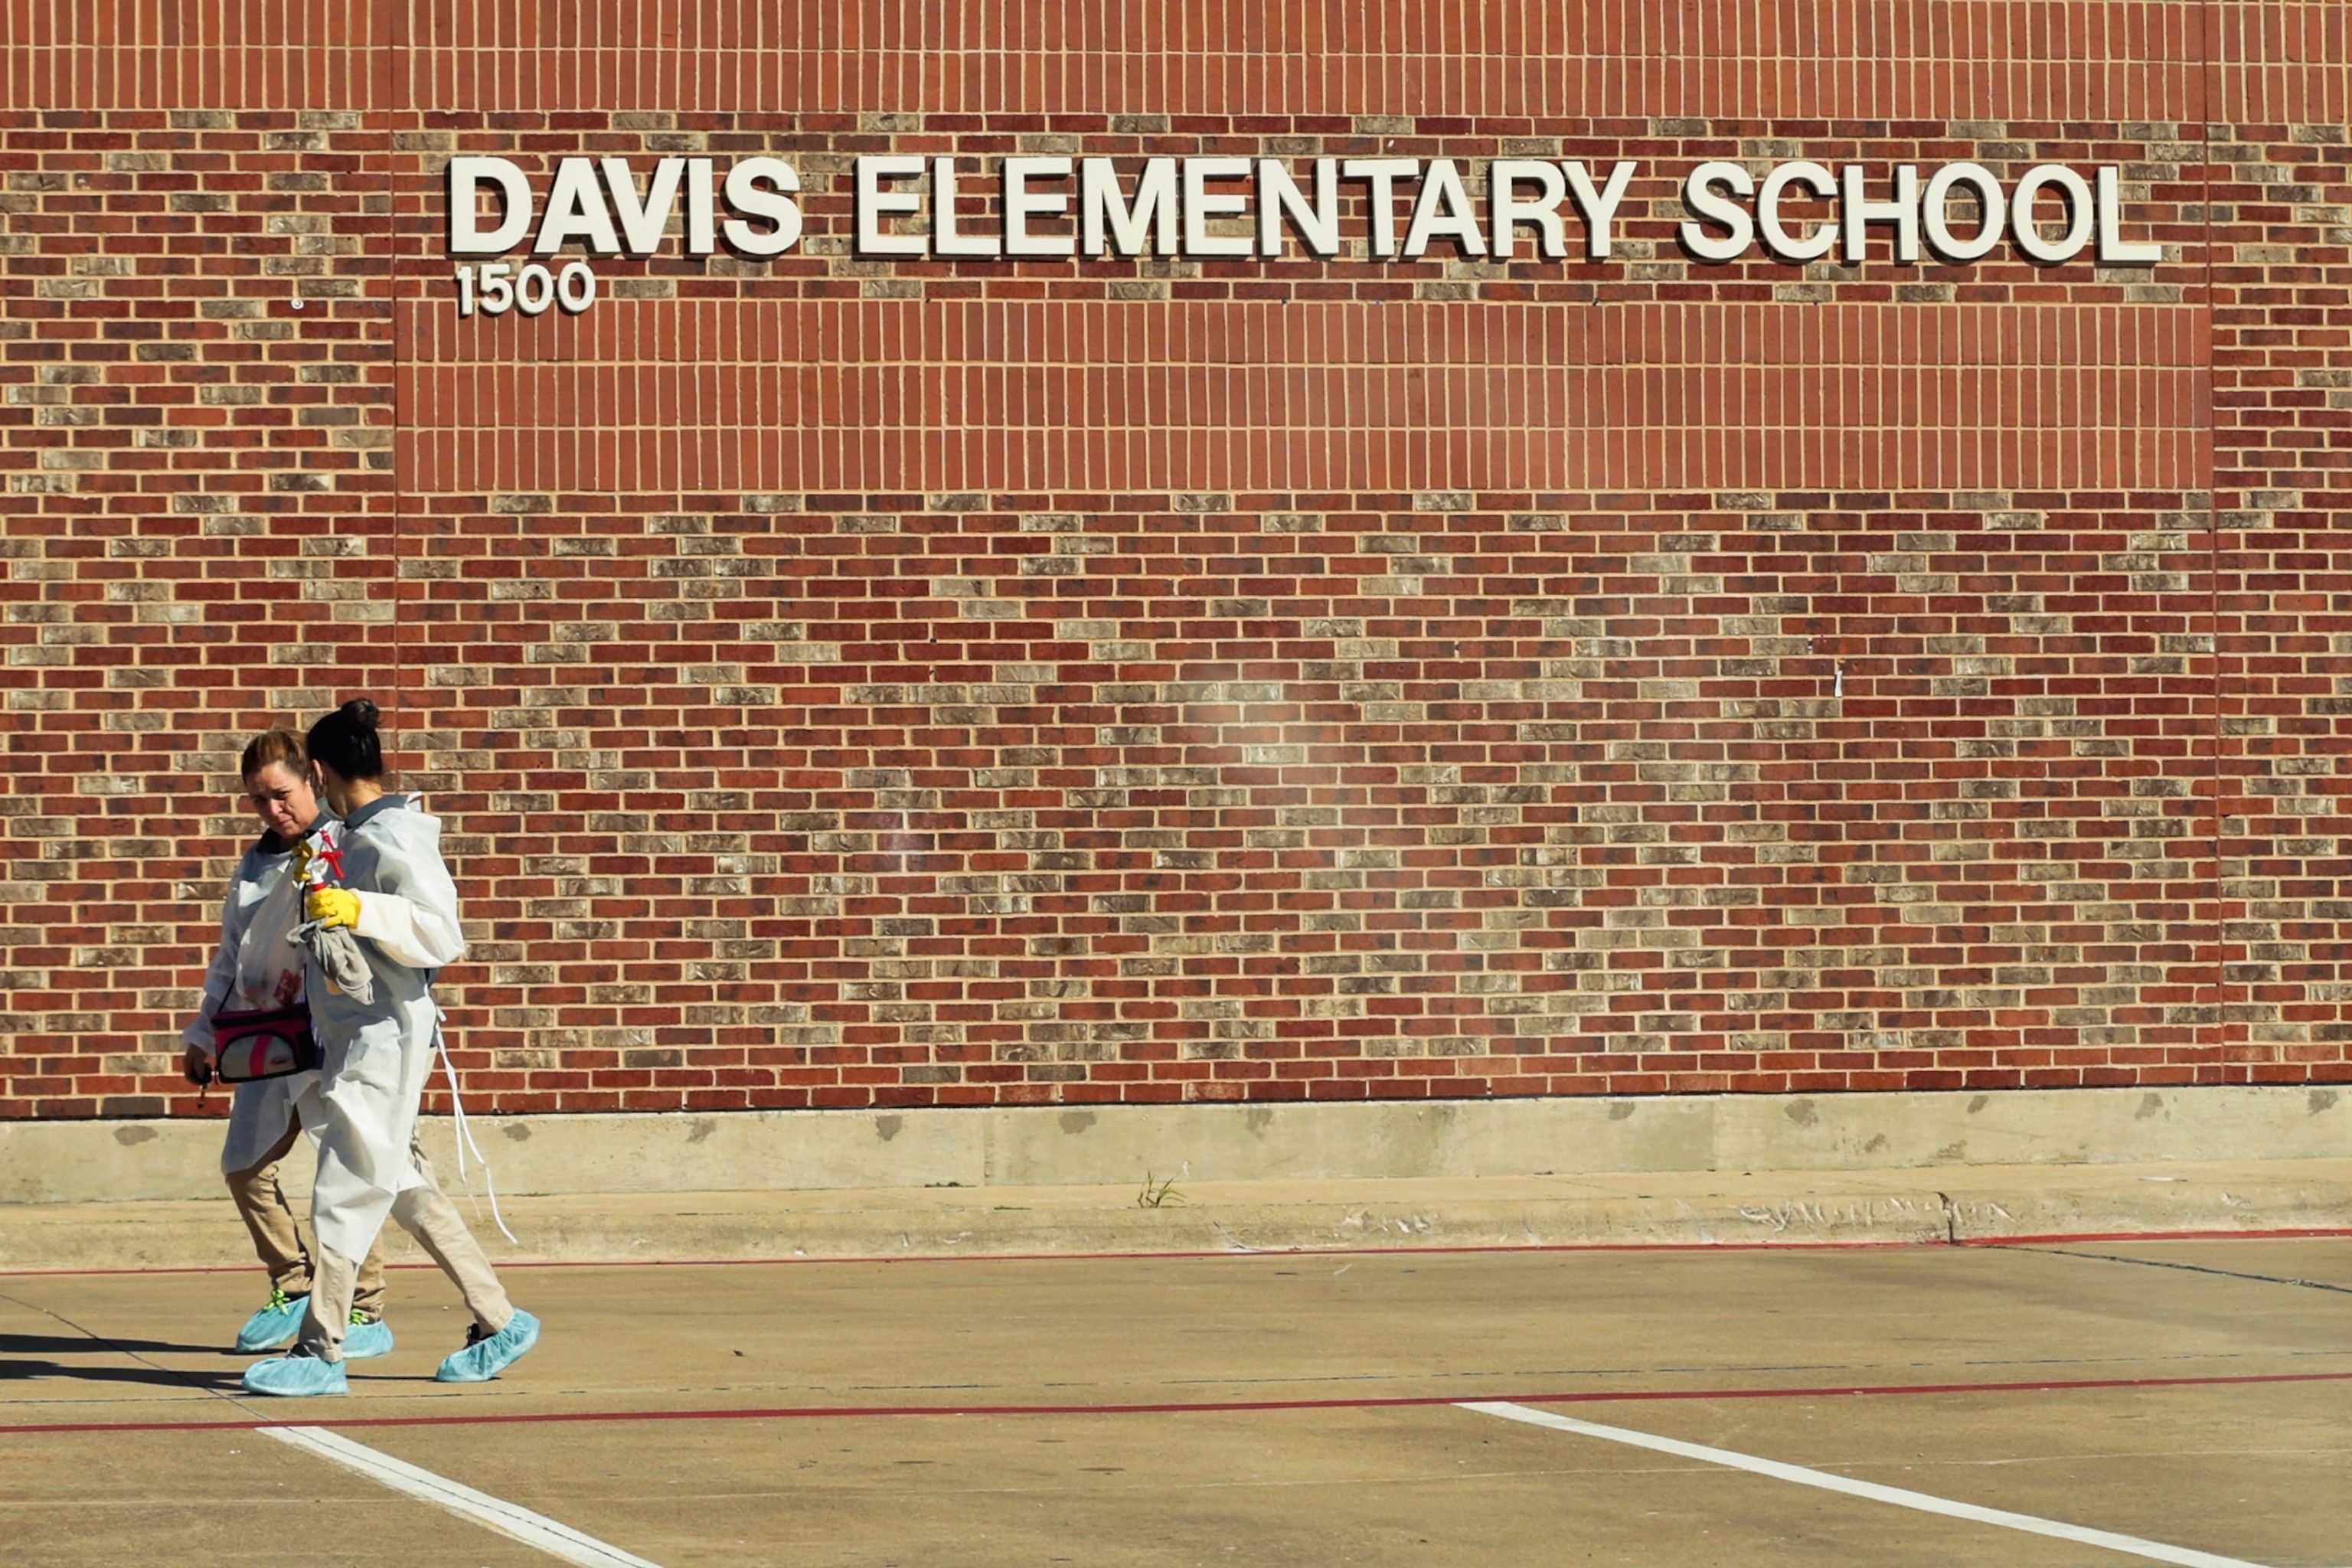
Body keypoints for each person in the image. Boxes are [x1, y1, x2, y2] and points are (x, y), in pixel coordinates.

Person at [240, 698, 540, 1397]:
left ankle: (321, 1351)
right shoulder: (347, 836)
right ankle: (501, 1321)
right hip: (344, 1036)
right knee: (403, 1188)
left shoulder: (398, 833)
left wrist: (359, 909)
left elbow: (442, 934)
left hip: (384, 1035)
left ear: (318, 770)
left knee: (342, 1190)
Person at [181, 727, 393, 1357]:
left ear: (313, 782)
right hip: (267, 1039)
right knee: (244, 1168)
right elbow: (229, 957)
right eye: (258, 800)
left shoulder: (345, 846)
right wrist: (202, 1035)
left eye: (281, 794)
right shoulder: (253, 864)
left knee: (349, 1172)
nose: (273, 810)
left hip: (334, 1037)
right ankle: (294, 1286)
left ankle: (366, 1307)